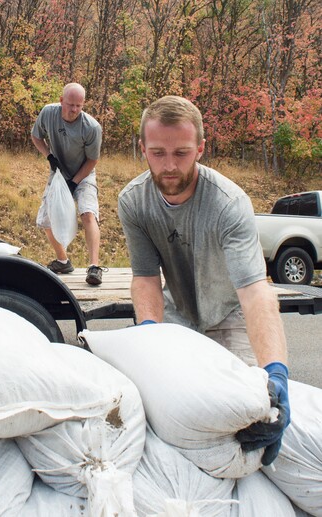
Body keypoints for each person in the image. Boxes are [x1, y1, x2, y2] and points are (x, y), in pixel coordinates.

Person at [117, 95, 290, 466]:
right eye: (158, 153)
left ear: (200, 149)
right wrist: (151, 341)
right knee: (162, 413)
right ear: (142, 148)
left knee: (249, 417)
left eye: (181, 153)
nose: (169, 166)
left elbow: (255, 290)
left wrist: (275, 370)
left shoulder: (228, 203)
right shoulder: (133, 201)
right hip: (178, 314)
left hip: (230, 314)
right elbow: (146, 278)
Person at [31, 83, 105, 285]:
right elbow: (36, 136)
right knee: (46, 219)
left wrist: (75, 182)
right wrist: (49, 156)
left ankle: (94, 267)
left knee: (88, 213)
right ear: (61, 100)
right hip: (58, 173)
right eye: (70, 104)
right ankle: (63, 260)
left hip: (85, 173)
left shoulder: (91, 127)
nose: (74, 110)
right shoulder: (48, 113)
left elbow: (93, 160)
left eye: (78, 106)